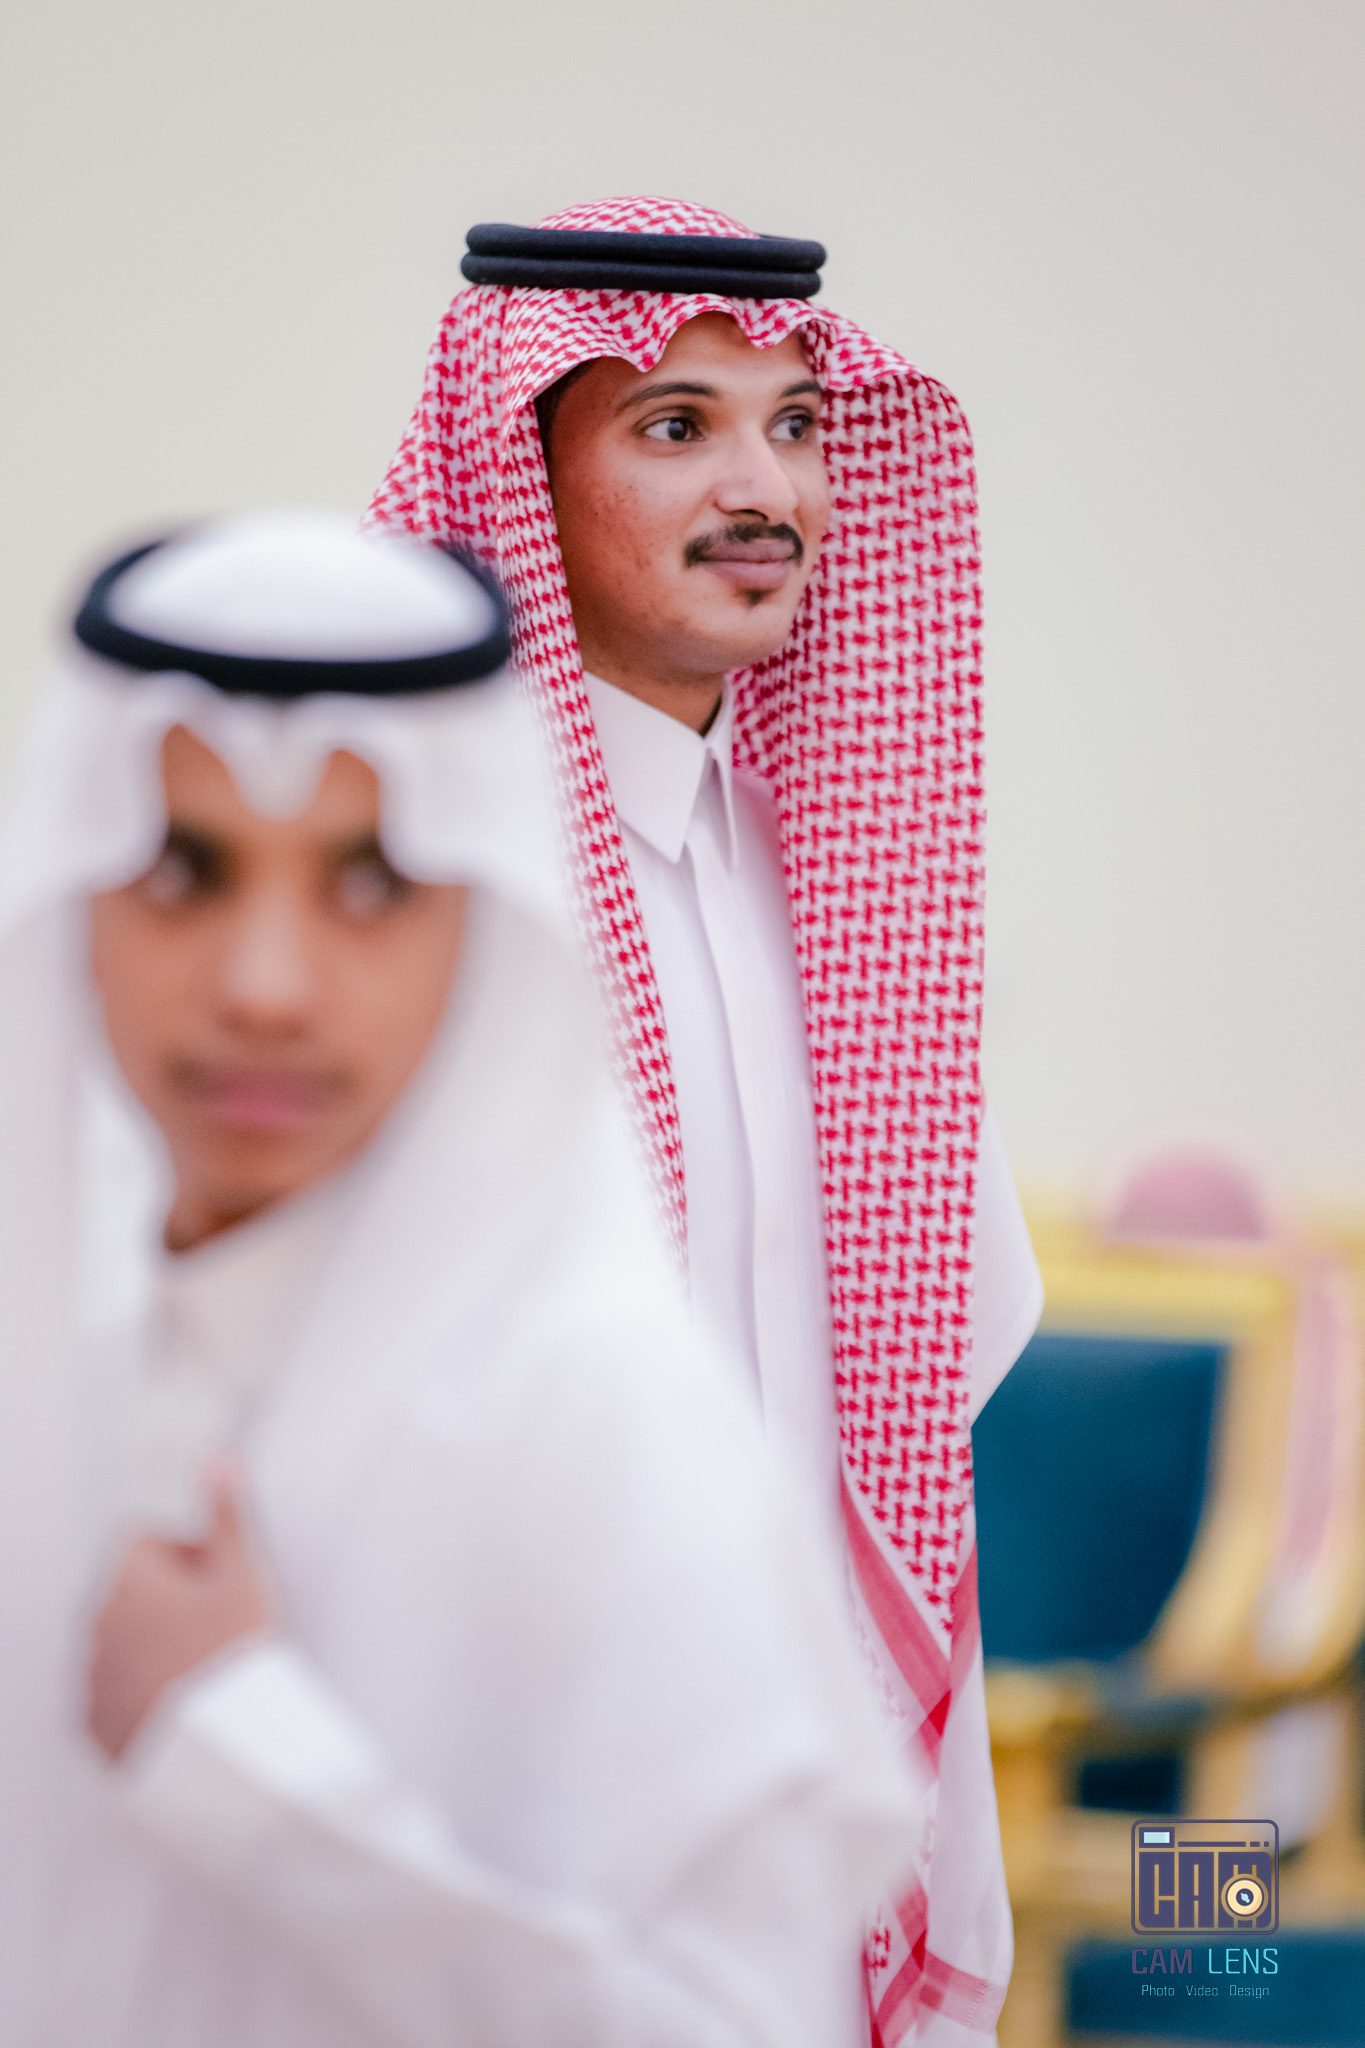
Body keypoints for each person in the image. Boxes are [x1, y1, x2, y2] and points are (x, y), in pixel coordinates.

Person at [0, 512, 920, 2048]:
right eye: (185, 873)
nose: (264, 987)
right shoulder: (45, 1363)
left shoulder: (607, 1421)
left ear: (484, 921)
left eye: (370, 884)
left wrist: (258, 1777)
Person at [370, 197, 1046, 2047]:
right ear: (518, 476)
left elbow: (918, 1373)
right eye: (675, 425)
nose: (766, 490)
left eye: (795, 424)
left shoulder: (828, 885)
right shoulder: (409, 887)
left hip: (795, 1806)